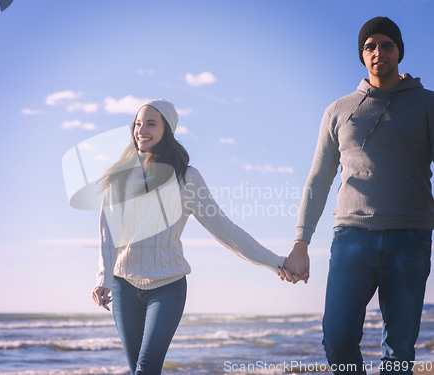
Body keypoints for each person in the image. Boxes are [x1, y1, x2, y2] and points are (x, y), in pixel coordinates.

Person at [280, 16, 434, 374]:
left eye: (386, 45)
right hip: (351, 238)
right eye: (370, 46)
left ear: (399, 51)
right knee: (336, 338)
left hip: (410, 238)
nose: (378, 51)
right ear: (362, 55)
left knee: (399, 349)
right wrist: (300, 243)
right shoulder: (338, 110)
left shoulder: (427, 105)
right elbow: (318, 179)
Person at [92, 99, 286, 375]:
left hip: (167, 287)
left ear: (167, 130)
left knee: (145, 369)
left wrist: (274, 261)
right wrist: (103, 279)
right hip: (124, 287)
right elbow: (107, 233)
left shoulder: (187, 179)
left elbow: (225, 230)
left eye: (150, 123)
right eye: (137, 124)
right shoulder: (119, 177)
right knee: (139, 369)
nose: (141, 130)